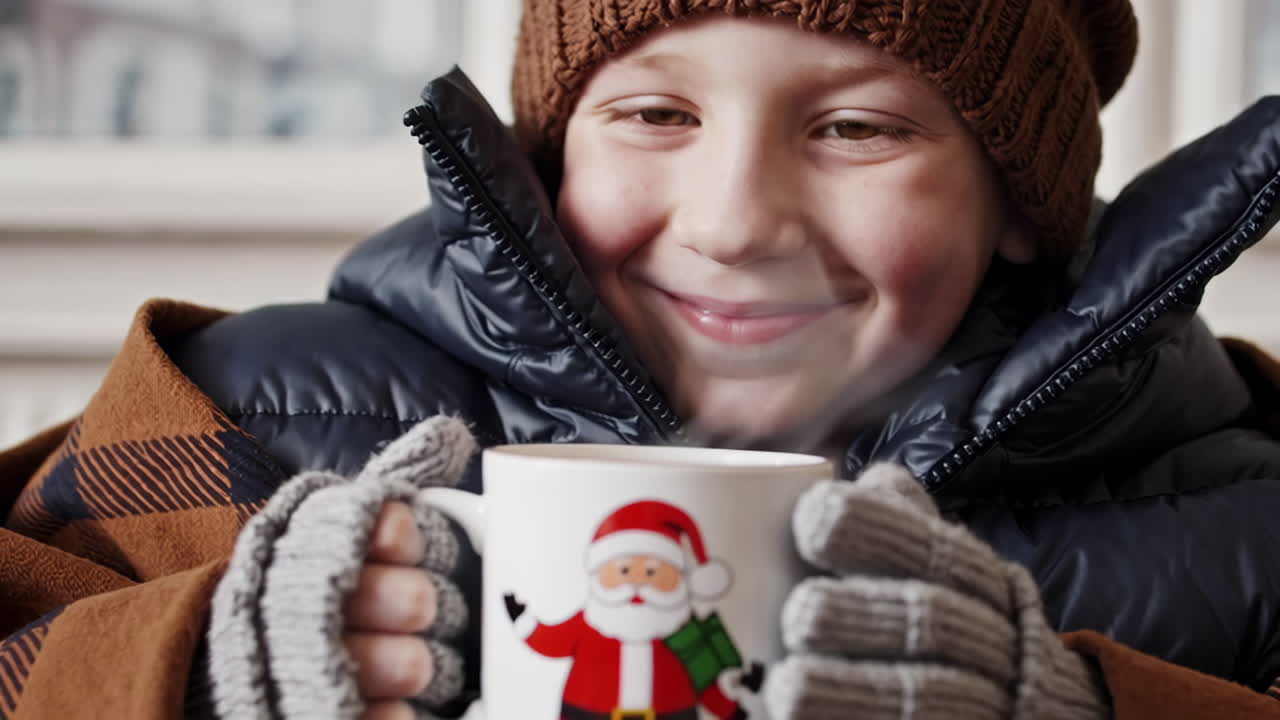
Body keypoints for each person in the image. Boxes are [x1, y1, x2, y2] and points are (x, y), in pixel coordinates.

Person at [3, 0, 1280, 718]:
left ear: (1013, 203)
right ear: (554, 150)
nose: (731, 223)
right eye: (655, 113)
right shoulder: (239, 417)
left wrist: (1070, 707)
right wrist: (191, 675)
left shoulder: (1238, 514)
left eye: (855, 127)